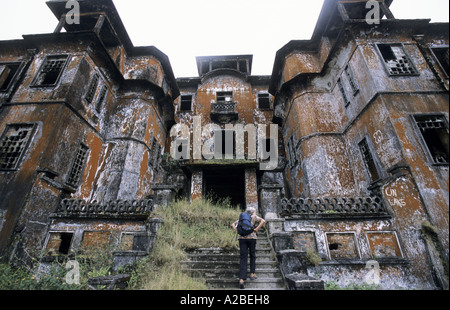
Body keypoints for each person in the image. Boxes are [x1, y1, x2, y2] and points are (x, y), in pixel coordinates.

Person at [232, 206, 266, 289]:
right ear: (253, 212)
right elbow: (263, 221)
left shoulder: (242, 218)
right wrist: (256, 229)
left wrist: (238, 231)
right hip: (252, 238)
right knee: (252, 255)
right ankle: (252, 273)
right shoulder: (254, 217)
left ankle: (241, 280)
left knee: (243, 258)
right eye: (255, 211)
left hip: (242, 239)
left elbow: (233, 224)